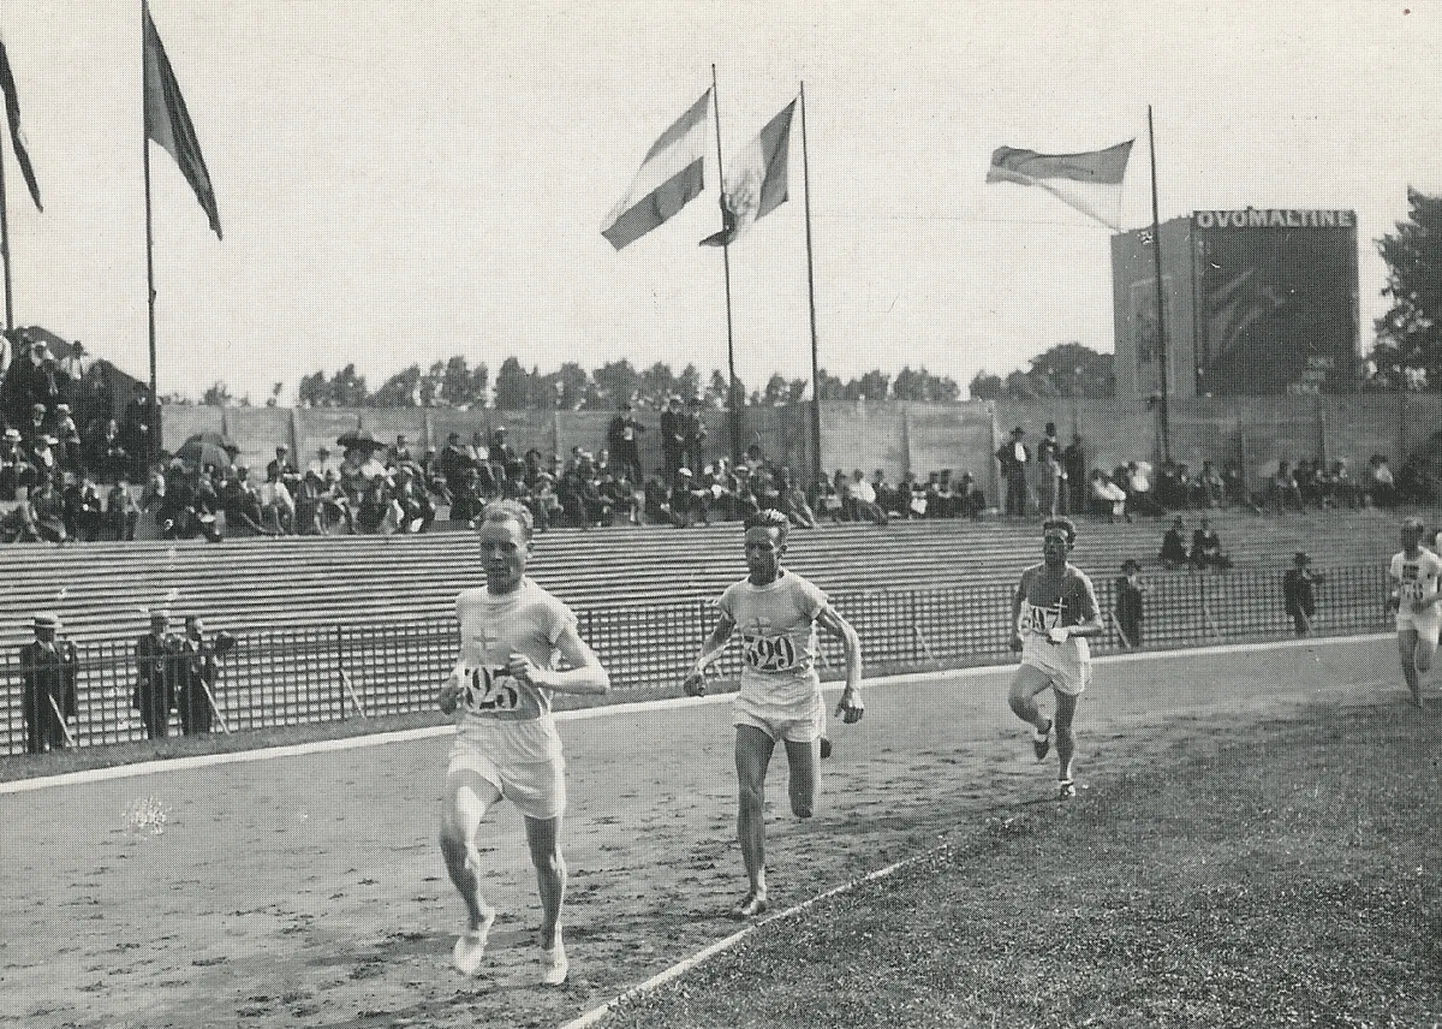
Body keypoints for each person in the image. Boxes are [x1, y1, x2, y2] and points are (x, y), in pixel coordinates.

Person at [435, 500, 610, 985]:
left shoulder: (545, 609)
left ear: (527, 549)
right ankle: (478, 917)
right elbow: (470, 662)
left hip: (531, 746)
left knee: (546, 859)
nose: (496, 557)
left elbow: (598, 678)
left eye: (506, 547)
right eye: (487, 547)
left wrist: (543, 677)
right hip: (479, 738)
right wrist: (452, 687)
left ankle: (551, 934)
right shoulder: (466, 603)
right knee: (453, 836)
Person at [683, 509, 865, 919]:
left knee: (803, 808)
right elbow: (722, 631)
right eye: (749, 547)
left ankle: (816, 738)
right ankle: (757, 888)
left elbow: (849, 635)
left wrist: (852, 690)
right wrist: (700, 665)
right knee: (749, 794)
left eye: (764, 548)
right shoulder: (736, 594)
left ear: (783, 549)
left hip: (800, 700)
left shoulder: (802, 592)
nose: (755, 556)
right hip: (755, 701)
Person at [1007, 517, 1104, 799]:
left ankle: (1065, 775)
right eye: (1047, 540)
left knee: (1065, 724)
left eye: (1058, 542)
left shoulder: (1077, 581)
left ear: (1070, 547)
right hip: (1038, 648)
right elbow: (1018, 597)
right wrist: (1015, 630)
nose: (1050, 546)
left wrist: (1068, 630)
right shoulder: (1030, 575)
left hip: (1069, 655)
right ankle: (1040, 725)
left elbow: (1098, 623)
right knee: (1017, 698)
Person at [1386, 517, 1442, 709]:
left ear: (1418, 536)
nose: (1404, 537)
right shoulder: (1397, 559)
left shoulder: (1431, 560)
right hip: (1406, 614)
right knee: (1405, 656)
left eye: (1409, 533)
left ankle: (1429, 653)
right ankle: (1416, 697)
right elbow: (1395, 581)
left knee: (1422, 665)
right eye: (1403, 533)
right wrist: (1394, 595)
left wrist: (1429, 600)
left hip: (1428, 616)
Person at [19, 612, 78, 753]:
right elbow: (29, 673)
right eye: (50, 631)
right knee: (38, 737)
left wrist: (73, 654)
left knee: (58, 735)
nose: (54, 634)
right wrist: (48, 656)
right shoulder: (29, 651)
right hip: (39, 701)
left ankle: (58, 751)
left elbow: (72, 671)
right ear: (39, 632)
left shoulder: (59, 649)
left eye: (54, 630)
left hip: (60, 698)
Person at [133, 609, 181, 739]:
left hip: (165, 688)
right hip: (150, 690)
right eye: (161, 624)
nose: (164, 628)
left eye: (166, 624)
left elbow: (174, 660)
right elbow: (141, 661)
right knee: (154, 724)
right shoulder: (145, 641)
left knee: (163, 723)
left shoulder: (170, 642)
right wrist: (161, 644)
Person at [177, 616, 222, 735]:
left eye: (200, 629)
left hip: (205, 694)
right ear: (187, 630)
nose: (198, 632)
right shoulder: (181, 649)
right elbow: (178, 673)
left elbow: (214, 673)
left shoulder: (206, 649)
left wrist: (211, 666)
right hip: (189, 695)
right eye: (194, 629)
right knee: (190, 729)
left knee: (205, 727)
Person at [1282, 551, 1322, 637]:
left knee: (1309, 620)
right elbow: (1287, 588)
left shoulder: (1307, 573)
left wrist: (1309, 578)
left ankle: (1307, 634)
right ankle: (1300, 635)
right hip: (1297, 602)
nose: (1302, 566)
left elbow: (1319, 580)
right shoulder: (1290, 574)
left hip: (1307, 601)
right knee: (1299, 621)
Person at [996, 426, 1029, 516]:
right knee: (1011, 492)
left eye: (1021, 435)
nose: (1019, 437)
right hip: (1013, 471)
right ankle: (1010, 512)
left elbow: (1028, 457)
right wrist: (1006, 463)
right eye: (1018, 435)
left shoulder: (1023, 446)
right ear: (1014, 435)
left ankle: (1021, 512)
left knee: (1022, 492)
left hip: (1021, 471)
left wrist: (1025, 463)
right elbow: (999, 454)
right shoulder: (1009, 446)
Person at [1114, 559, 1145, 649]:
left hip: (1135, 612)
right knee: (1124, 635)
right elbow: (1120, 593)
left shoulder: (1139, 582)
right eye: (1129, 568)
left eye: (1132, 568)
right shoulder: (1120, 581)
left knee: (1136, 635)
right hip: (1125, 612)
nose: (1131, 570)